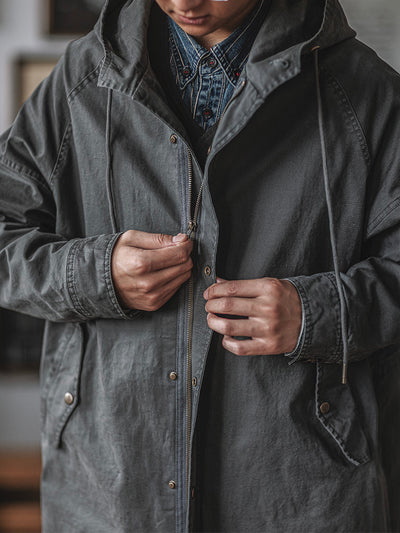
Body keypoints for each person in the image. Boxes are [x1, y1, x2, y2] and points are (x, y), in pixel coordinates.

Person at [0, 0, 399, 531]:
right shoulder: (80, 79)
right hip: (107, 487)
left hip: (300, 492)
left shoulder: (366, 93)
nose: (185, 2)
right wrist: (95, 274)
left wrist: (317, 314)